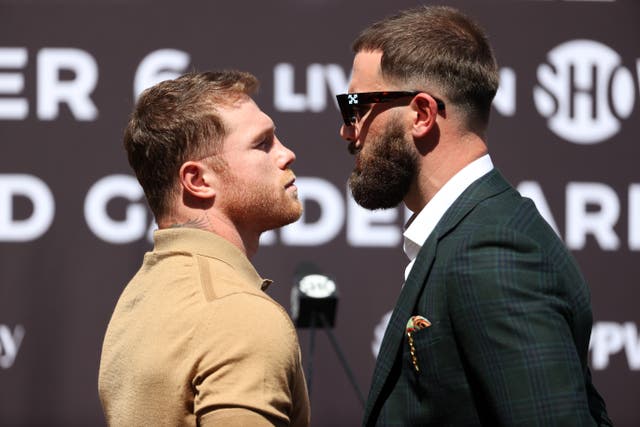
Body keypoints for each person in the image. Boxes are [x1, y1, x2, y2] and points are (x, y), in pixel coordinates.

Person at [336, 6, 612, 426]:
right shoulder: (469, 233)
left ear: (422, 114)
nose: (348, 129)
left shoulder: (492, 251)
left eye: (356, 106)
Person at [98, 70, 310, 426]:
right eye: (263, 144)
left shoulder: (140, 296)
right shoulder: (238, 315)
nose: (287, 154)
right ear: (198, 180)